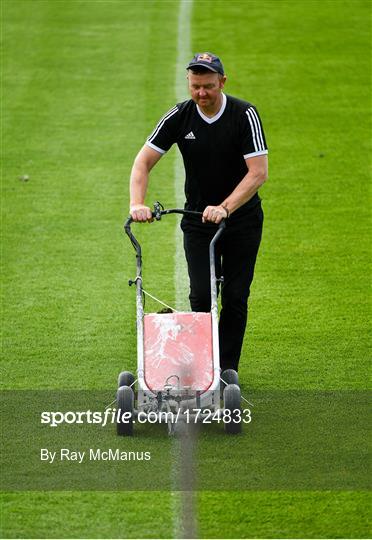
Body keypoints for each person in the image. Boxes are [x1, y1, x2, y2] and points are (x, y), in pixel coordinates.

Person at [129, 52, 268, 374]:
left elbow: (258, 172)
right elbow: (142, 162)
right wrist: (137, 203)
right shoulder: (180, 116)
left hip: (242, 221)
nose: (201, 94)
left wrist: (225, 207)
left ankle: (226, 369)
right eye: (195, 87)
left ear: (222, 82)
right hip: (197, 222)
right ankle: (204, 367)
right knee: (202, 297)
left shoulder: (243, 114)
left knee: (234, 297)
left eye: (208, 86)